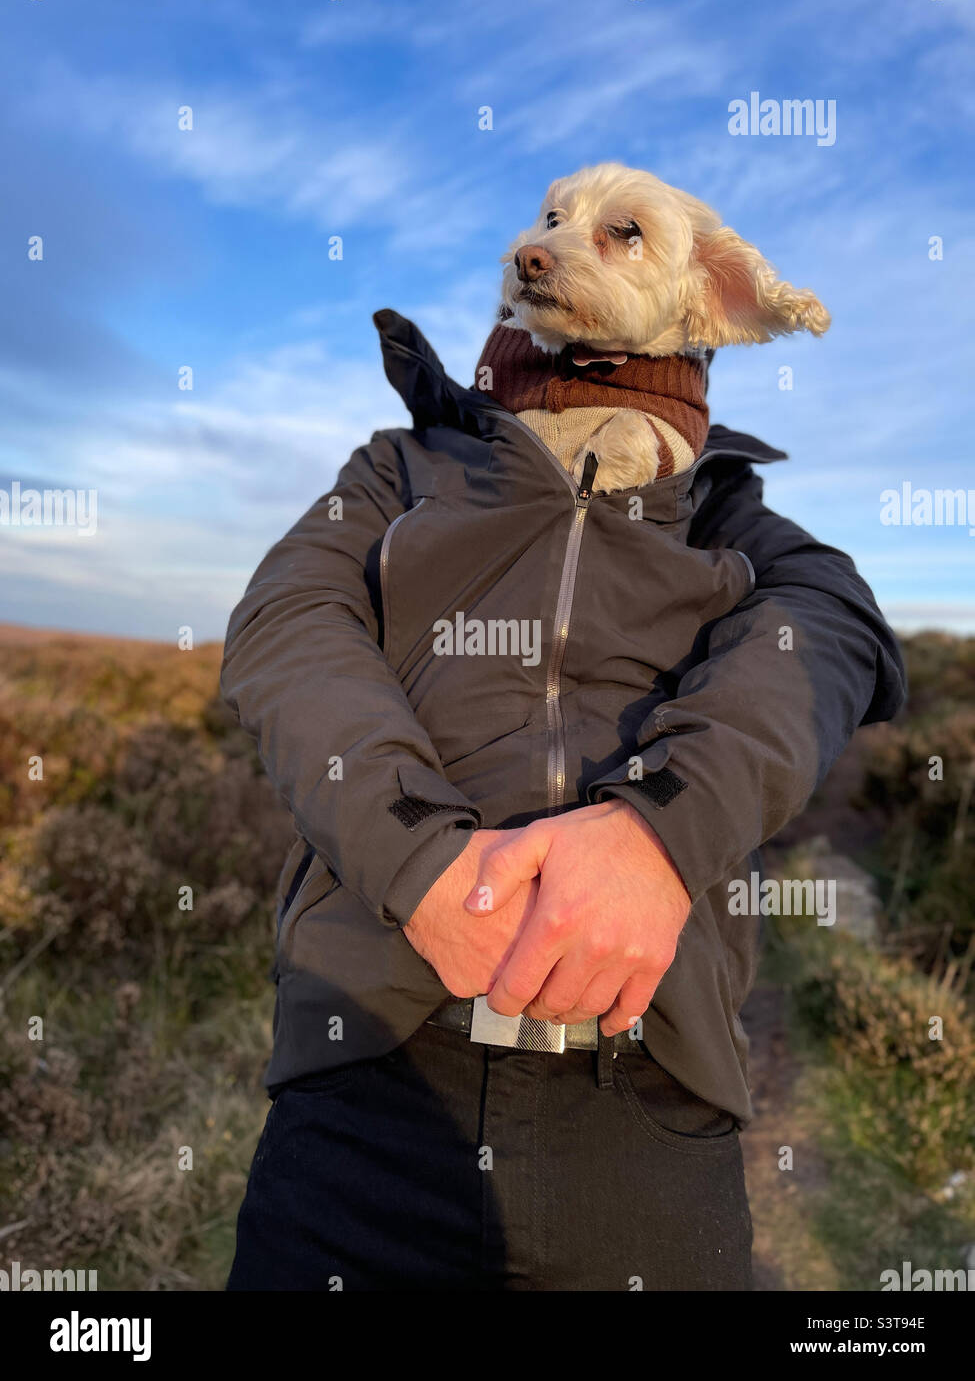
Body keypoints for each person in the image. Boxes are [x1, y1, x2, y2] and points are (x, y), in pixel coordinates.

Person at [221, 308, 906, 1291]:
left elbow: (835, 628)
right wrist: (420, 861)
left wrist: (659, 832)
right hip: (376, 1065)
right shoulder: (401, 471)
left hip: (652, 1095)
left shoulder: (727, 517)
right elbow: (288, 627)